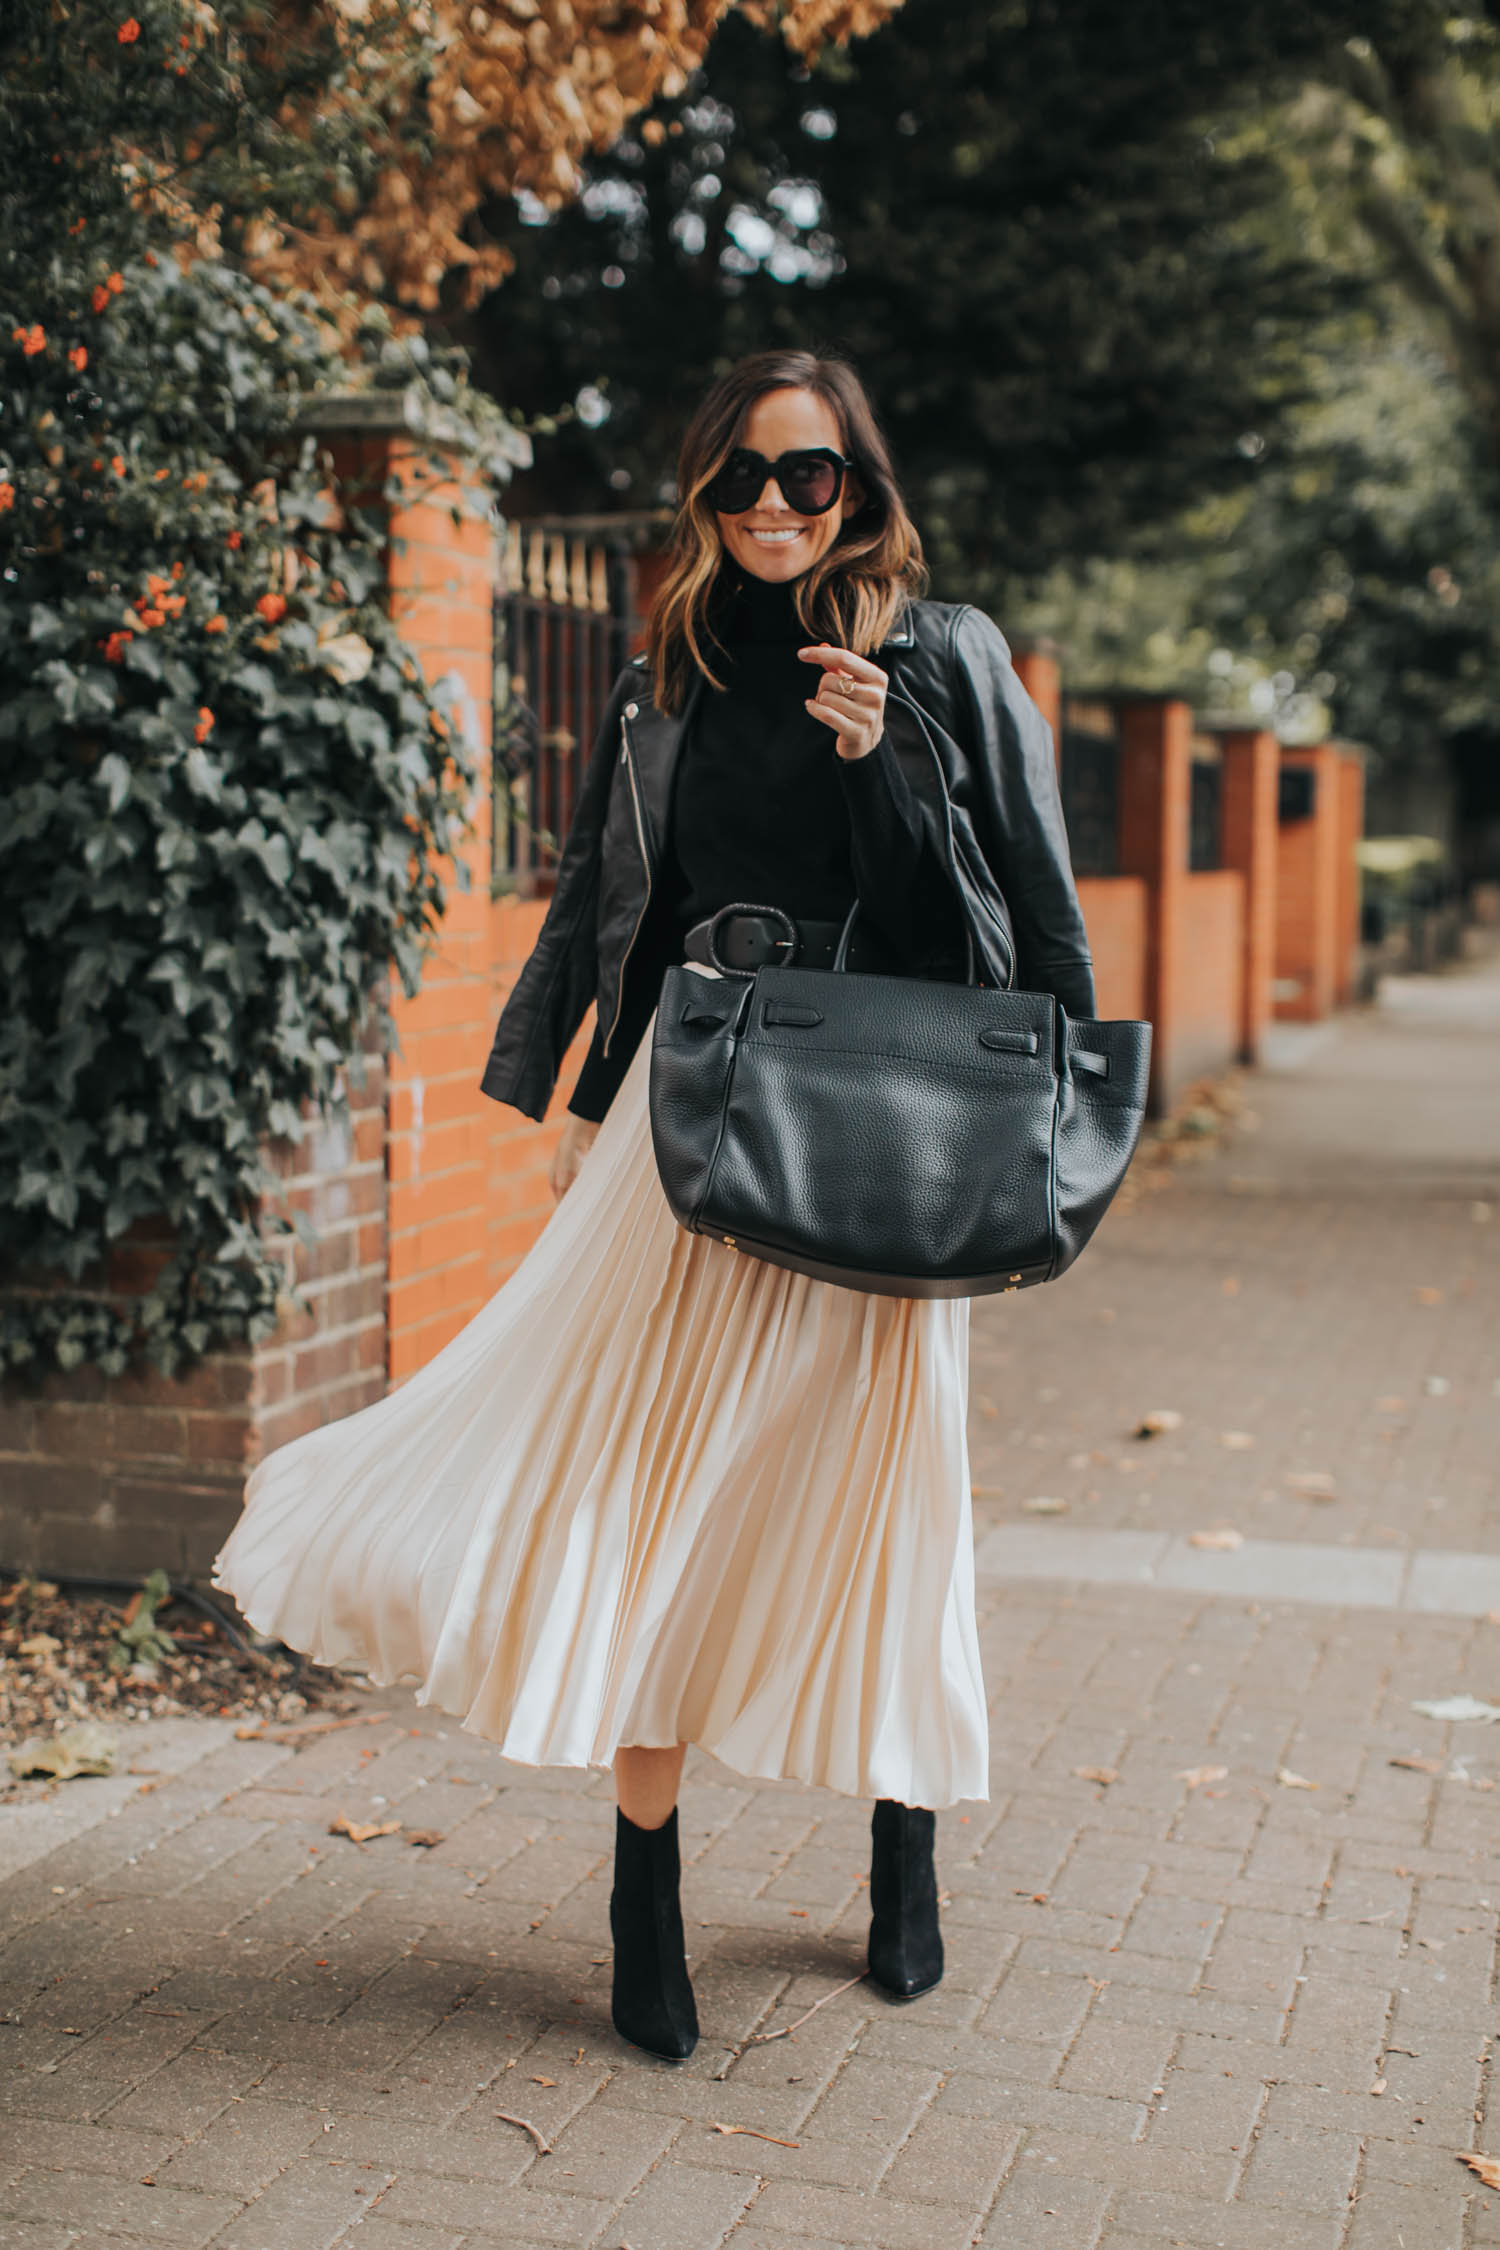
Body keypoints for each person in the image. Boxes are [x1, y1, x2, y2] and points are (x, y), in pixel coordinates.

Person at [213, 347, 1095, 2066]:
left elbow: (1012, 941)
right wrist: (569, 1100)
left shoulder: (946, 657)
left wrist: (887, 768)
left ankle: (902, 1839)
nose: (776, 506)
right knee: (638, 1491)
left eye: (812, 476)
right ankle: (644, 1884)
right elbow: (610, 900)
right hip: (685, 1125)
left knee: (877, 1502)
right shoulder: (662, 673)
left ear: (861, 488)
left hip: (880, 1138)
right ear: (705, 491)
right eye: (747, 477)